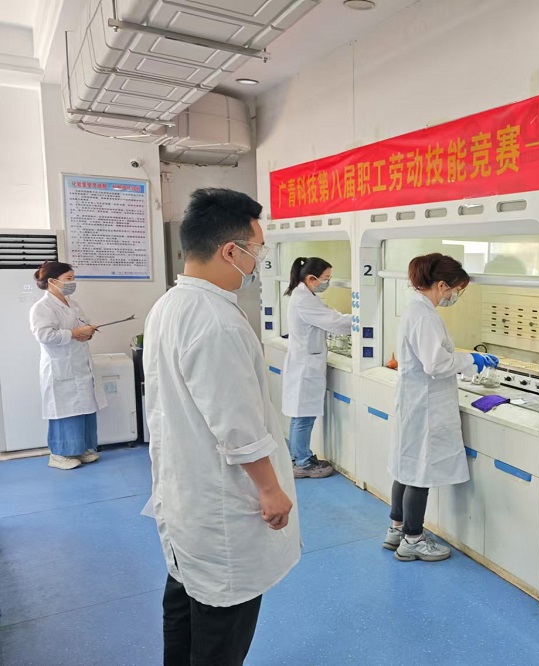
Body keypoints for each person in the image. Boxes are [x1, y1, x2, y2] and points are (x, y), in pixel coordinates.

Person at [144, 188, 299, 666]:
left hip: (187, 496)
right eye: (258, 251)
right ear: (231, 251)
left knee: (185, 604)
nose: (258, 263)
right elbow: (237, 426)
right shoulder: (217, 322)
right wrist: (270, 489)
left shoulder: (170, 305)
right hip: (221, 508)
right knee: (220, 627)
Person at [383, 253, 498, 562]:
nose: (455, 296)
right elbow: (435, 363)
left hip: (416, 400)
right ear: (443, 285)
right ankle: (413, 540)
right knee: (420, 472)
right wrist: (471, 359)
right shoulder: (425, 315)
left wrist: (465, 360)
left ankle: (396, 529)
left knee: (406, 466)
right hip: (426, 404)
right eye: (457, 289)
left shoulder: (416, 310)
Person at [282, 257, 352, 479]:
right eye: (326, 278)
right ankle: (302, 463)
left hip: (304, 364)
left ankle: (300, 457)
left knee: (300, 416)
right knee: (303, 417)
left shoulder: (305, 296)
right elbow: (334, 322)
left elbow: (329, 317)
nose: (327, 282)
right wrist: (362, 320)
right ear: (311, 278)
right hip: (305, 367)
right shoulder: (304, 300)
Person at [29, 261, 102, 470]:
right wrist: (73, 333)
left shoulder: (73, 304)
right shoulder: (41, 308)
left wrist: (87, 332)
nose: (72, 282)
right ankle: (59, 454)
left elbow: (81, 326)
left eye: (73, 278)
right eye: (68, 279)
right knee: (64, 411)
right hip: (59, 367)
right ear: (52, 281)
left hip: (80, 364)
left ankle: (81, 449)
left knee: (84, 409)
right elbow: (44, 335)